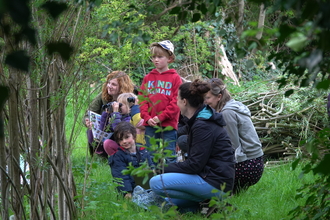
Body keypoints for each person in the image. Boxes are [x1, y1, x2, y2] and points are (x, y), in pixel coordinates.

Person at [149, 79, 235, 213]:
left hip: (216, 182)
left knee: (156, 183)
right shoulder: (199, 119)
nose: (176, 101)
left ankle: (209, 201)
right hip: (209, 177)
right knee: (170, 204)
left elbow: (194, 165)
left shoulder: (203, 125)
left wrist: (163, 168)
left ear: (184, 102)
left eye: (177, 98)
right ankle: (202, 207)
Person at [204, 78, 264, 194]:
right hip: (254, 162)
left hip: (249, 165)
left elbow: (231, 146)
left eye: (208, 98)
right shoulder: (229, 106)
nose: (205, 102)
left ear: (219, 97)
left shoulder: (227, 113)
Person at [139, 40, 182, 164]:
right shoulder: (148, 78)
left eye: (160, 56)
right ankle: (155, 182)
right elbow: (142, 99)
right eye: (153, 57)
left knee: (169, 156)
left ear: (170, 58)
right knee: (152, 156)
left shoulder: (175, 78)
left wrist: (161, 117)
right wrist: (147, 118)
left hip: (168, 124)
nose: (156, 60)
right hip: (150, 124)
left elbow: (176, 102)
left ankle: (171, 182)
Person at [83, 71, 134, 157]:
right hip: (105, 128)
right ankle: (100, 155)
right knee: (90, 131)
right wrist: (87, 121)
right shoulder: (103, 95)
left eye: (113, 84)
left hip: (121, 132)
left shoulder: (129, 99)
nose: (109, 86)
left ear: (122, 87)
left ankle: (120, 155)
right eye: (108, 83)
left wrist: (116, 112)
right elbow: (88, 113)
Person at [108, 121, 153, 199]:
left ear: (134, 136)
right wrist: (127, 192)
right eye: (120, 140)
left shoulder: (143, 151)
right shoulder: (118, 156)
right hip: (130, 190)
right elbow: (120, 176)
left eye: (127, 137)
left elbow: (152, 167)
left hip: (147, 186)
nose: (124, 141)